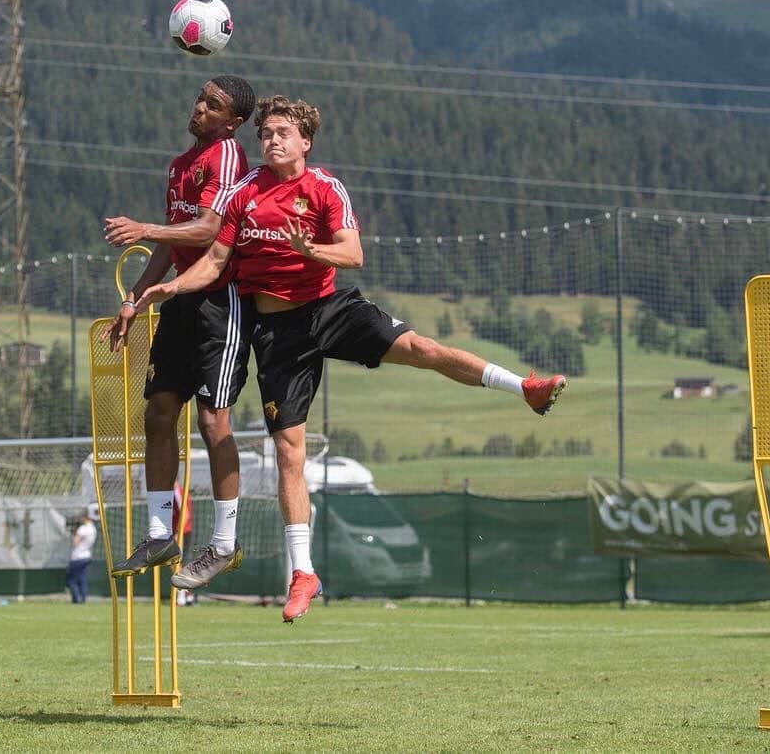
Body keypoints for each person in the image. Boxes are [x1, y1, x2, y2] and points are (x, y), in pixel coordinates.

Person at [132, 95, 567, 623]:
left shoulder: (324, 188)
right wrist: (171, 287)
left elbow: (353, 252)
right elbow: (217, 260)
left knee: (422, 349)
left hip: (329, 309)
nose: (271, 140)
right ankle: (303, 574)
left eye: (282, 133)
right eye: (266, 133)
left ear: (305, 142)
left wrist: (311, 250)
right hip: (276, 333)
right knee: (289, 451)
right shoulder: (243, 193)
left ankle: (524, 387)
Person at [103, 75, 257, 595]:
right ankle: (157, 533)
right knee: (159, 411)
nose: (199, 108)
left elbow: (211, 230)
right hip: (179, 300)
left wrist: (145, 229)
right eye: (199, 98)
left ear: (231, 122)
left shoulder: (228, 155)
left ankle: (224, 540)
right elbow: (171, 246)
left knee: (214, 421)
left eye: (212, 105)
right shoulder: (179, 166)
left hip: (221, 300)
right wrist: (132, 299)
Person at [66, 508, 98, 604]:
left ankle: (75, 599)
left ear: (85, 517)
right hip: (87, 556)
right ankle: (83, 598)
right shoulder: (93, 528)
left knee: (71, 580)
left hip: (78, 557)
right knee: (82, 578)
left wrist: (73, 534)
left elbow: (75, 542)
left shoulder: (83, 529)